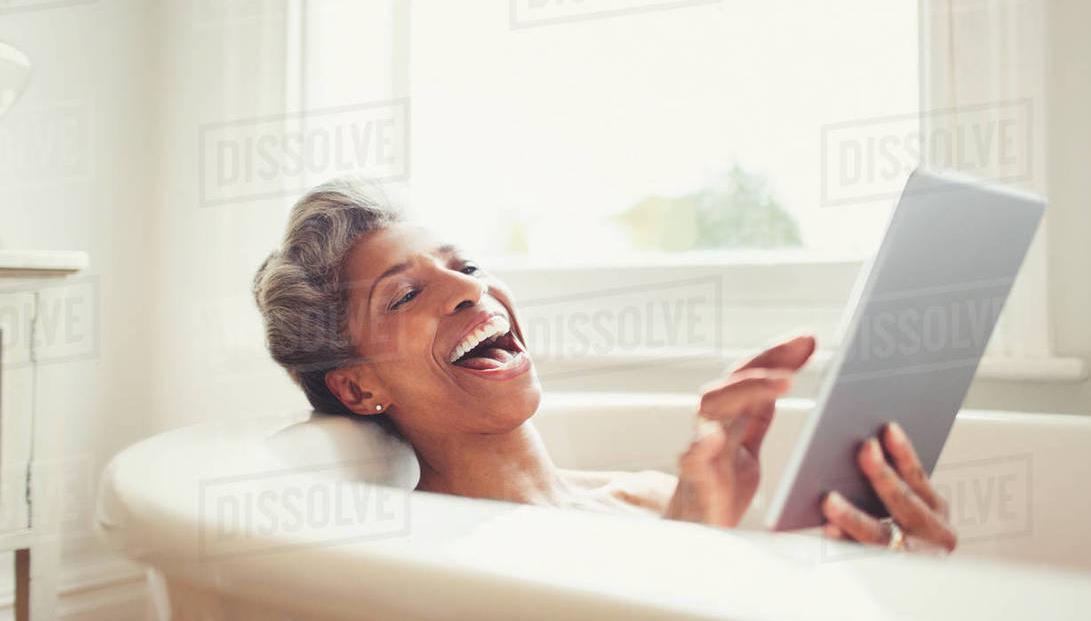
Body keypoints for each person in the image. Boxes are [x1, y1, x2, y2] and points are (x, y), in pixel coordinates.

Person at [253, 178, 957, 552]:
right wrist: (694, 544)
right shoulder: (433, 556)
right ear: (357, 384)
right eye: (407, 294)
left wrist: (894, 565)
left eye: (466, 265)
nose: (470, 289)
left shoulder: (650, 497)